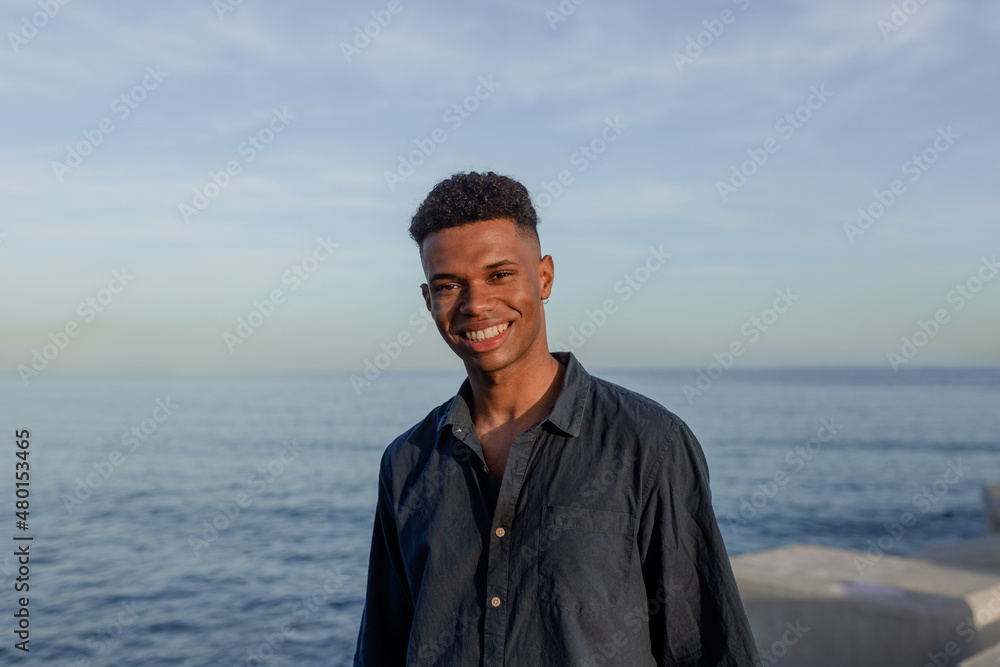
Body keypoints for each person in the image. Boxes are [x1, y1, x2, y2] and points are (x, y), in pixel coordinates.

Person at [354, 171, 758, 665]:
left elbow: (709, 650)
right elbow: (383, 647)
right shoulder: (405, 463)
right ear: (428, 301)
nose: (476, 304)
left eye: (499, 275)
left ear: (543, 277)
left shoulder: (650, 446)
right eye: (449, 285)